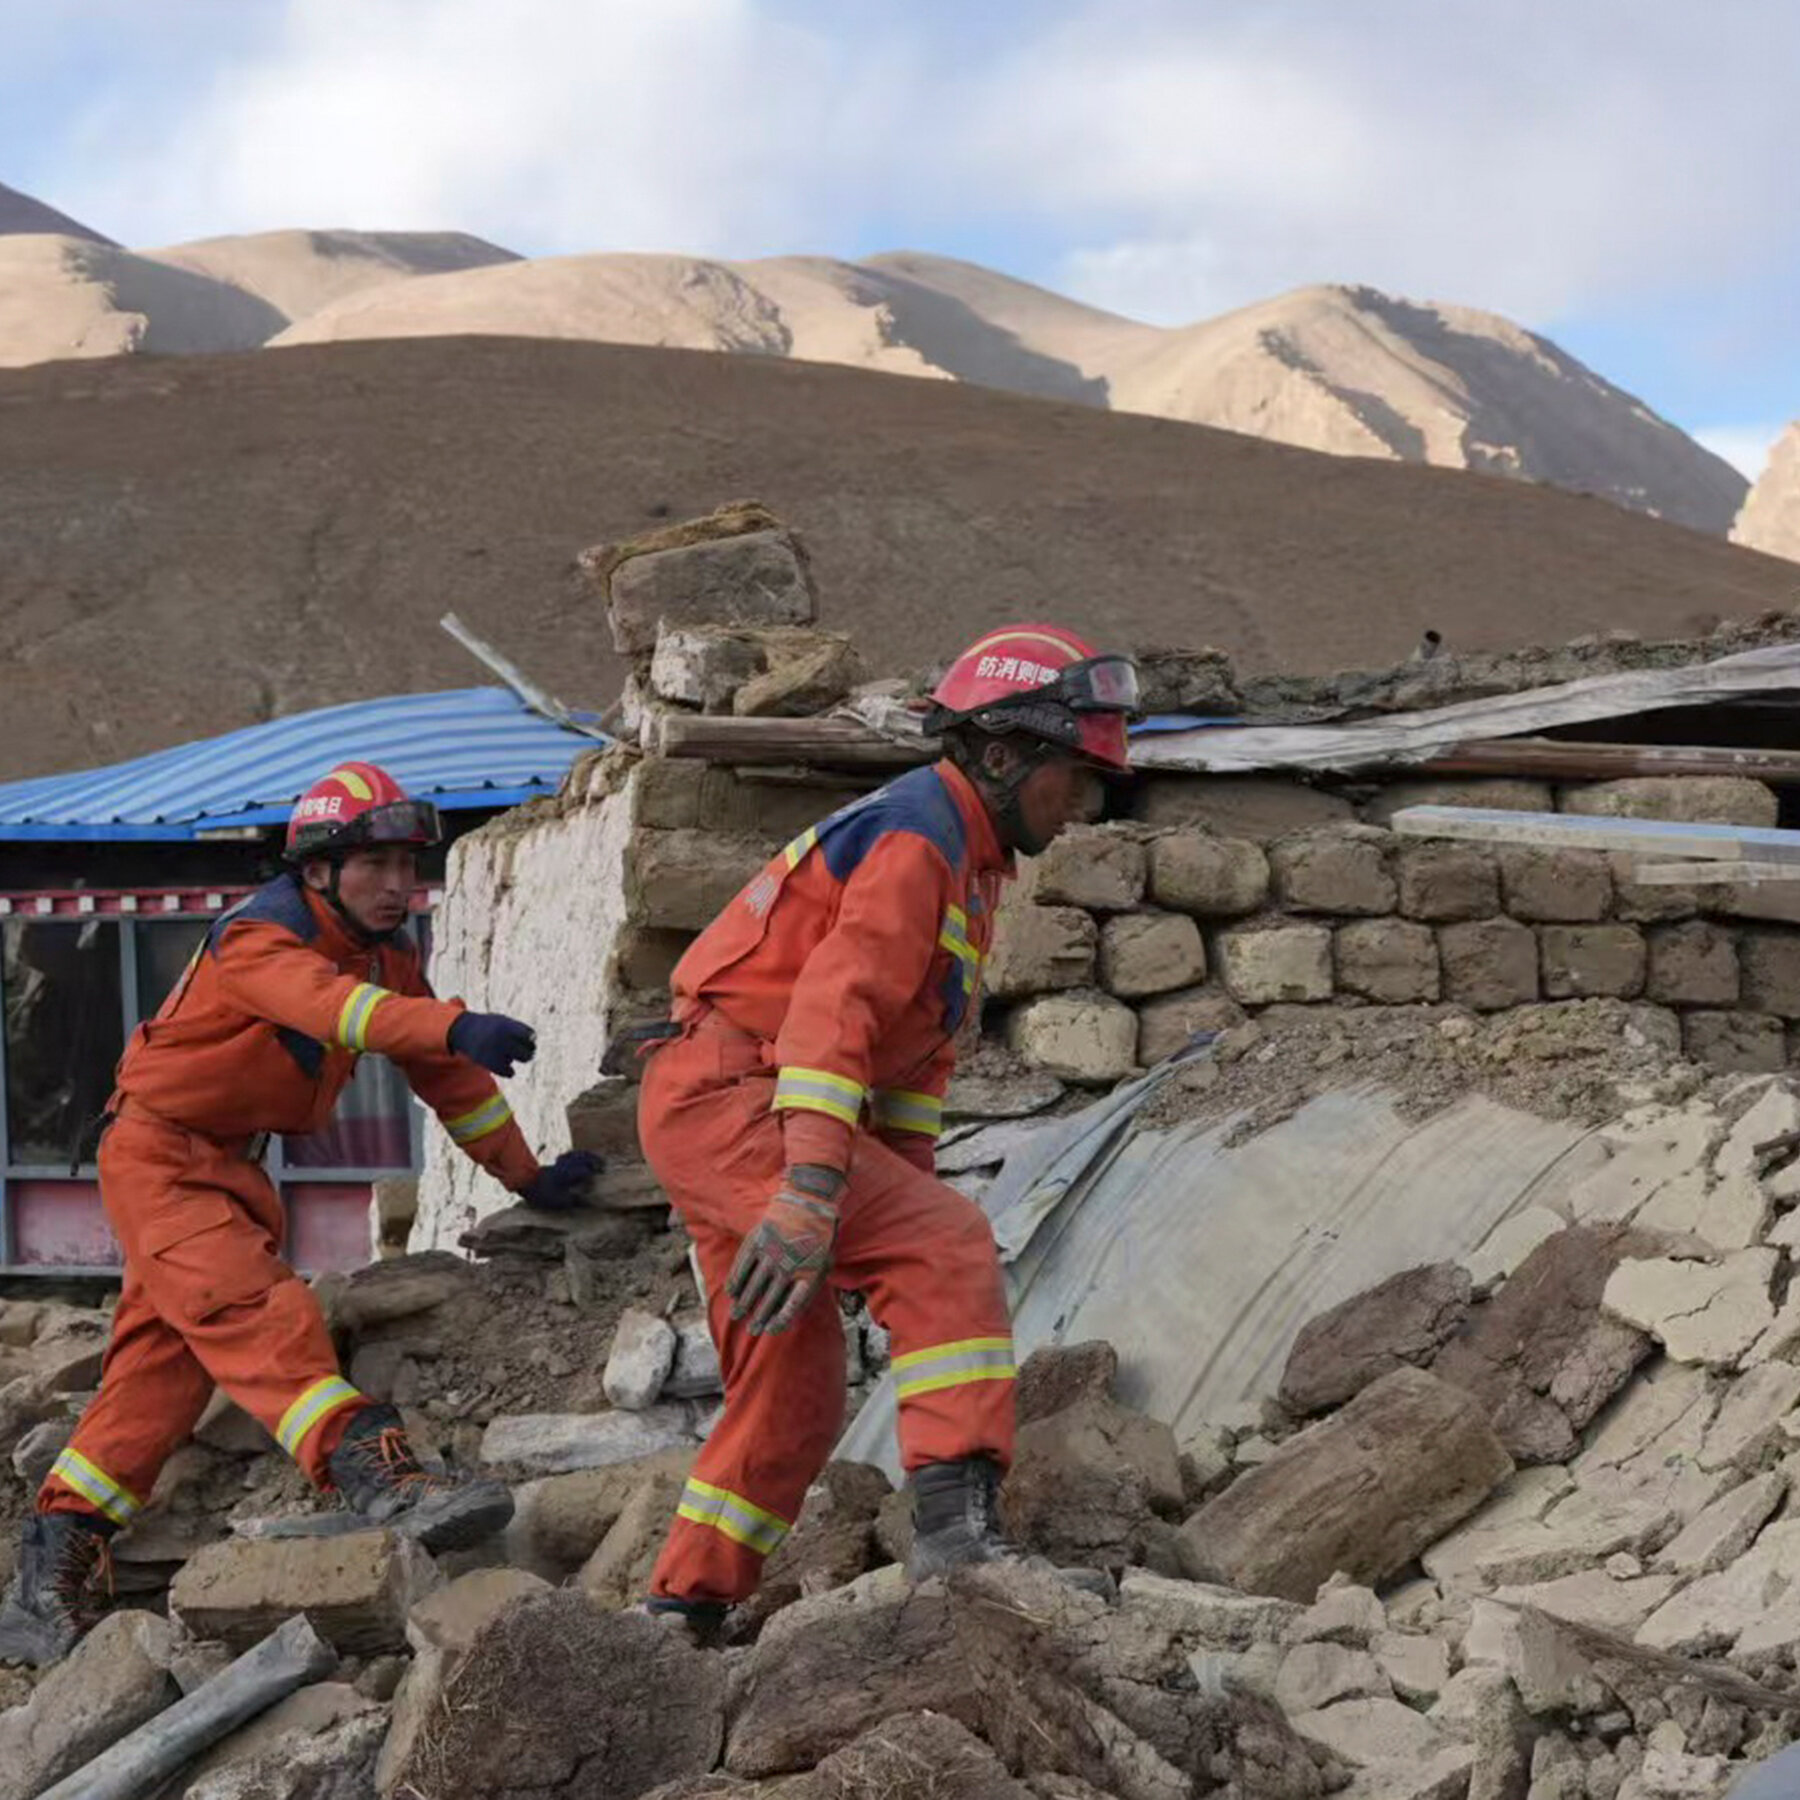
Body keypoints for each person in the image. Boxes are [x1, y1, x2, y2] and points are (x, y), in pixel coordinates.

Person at [0, 762, 599, 1667]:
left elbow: (449, 1082)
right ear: (318, 869)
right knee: (259, 1311)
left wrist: (526, 1176)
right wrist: (446, 1021)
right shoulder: (262, 940)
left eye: (408, 864)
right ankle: (377, 1475)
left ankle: (45, 1578)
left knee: (158, 1376)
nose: (400, 885)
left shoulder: (385, 953)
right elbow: (338, 1011)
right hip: (162, 1159)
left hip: (231, 1167)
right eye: (376, 865)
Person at [633, 624, 1137, 1638]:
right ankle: (957, 1545)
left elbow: (909, 1061)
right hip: (743, 1099)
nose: (1079, 802)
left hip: (733, 1102)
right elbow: (833, 1015)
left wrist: (879, 1200)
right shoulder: (921, 838)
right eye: (1070, 774)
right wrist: (819, 1193)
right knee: (947, 1241)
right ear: (1001, 755)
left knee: (797, 1392)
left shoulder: (967, 858)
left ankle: (679, 1609)